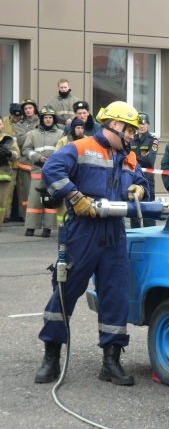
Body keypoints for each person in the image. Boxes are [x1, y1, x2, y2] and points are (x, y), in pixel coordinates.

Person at [35, 101, 149, 386]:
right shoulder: (80, 147)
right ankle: (51, 358)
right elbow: (52, 170)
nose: (133, 136)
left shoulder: (129, 156)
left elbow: (143, 183)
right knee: (64, 292)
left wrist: (139, 188)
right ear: (116, 125)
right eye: (131, 130)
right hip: (82, 231)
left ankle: (111, 362)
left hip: (114, 232)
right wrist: (75, 198)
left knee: (115, 295)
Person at [22, 107, 63, 237]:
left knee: (49, 199)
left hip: (52, 173)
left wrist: (52, 160)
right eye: (45, 117)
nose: (48, 119)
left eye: (50, 117)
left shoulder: (60, 134)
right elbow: (26, 150)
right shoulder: (33, 133)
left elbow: (63, 150)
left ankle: (48, 228)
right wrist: (37, 157)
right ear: (42, 119)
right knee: (34, 201)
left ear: (54, 119)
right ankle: (30, 227)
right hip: (37, 172)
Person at [129, 112, 159, 227]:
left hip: (147, 180)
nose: (141, 126)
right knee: (133, 211)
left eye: (144, 123)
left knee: (149, 212)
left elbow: (149, 160)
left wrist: (133, 158)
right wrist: (142, 157)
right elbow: (125, 156)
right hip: (132, 179)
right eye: (139, 123)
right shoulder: (132, 139)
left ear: (148, 125)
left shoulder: (152, 140)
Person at [15, 99, 40, 221]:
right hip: (26, 164)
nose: (28, 110)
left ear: (34, 108)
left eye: (30, 108)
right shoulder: (20, 124)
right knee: (27, 192)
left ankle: (40, 217)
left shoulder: (43, 120)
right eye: (25, 109)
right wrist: (35, 136)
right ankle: (27, 217)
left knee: (41, 190)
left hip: (41, 163)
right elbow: (20, 140)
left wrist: (31, 134)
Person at [2, 103, 21, 222]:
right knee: (7, 192)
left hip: (21, 161)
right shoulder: (3, 122)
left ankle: (21, 215)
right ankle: (5, 215)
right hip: (8, 162)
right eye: (14, 117)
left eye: (18, 117)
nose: (16, 119)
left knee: (22, 190)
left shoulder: (23, 124)